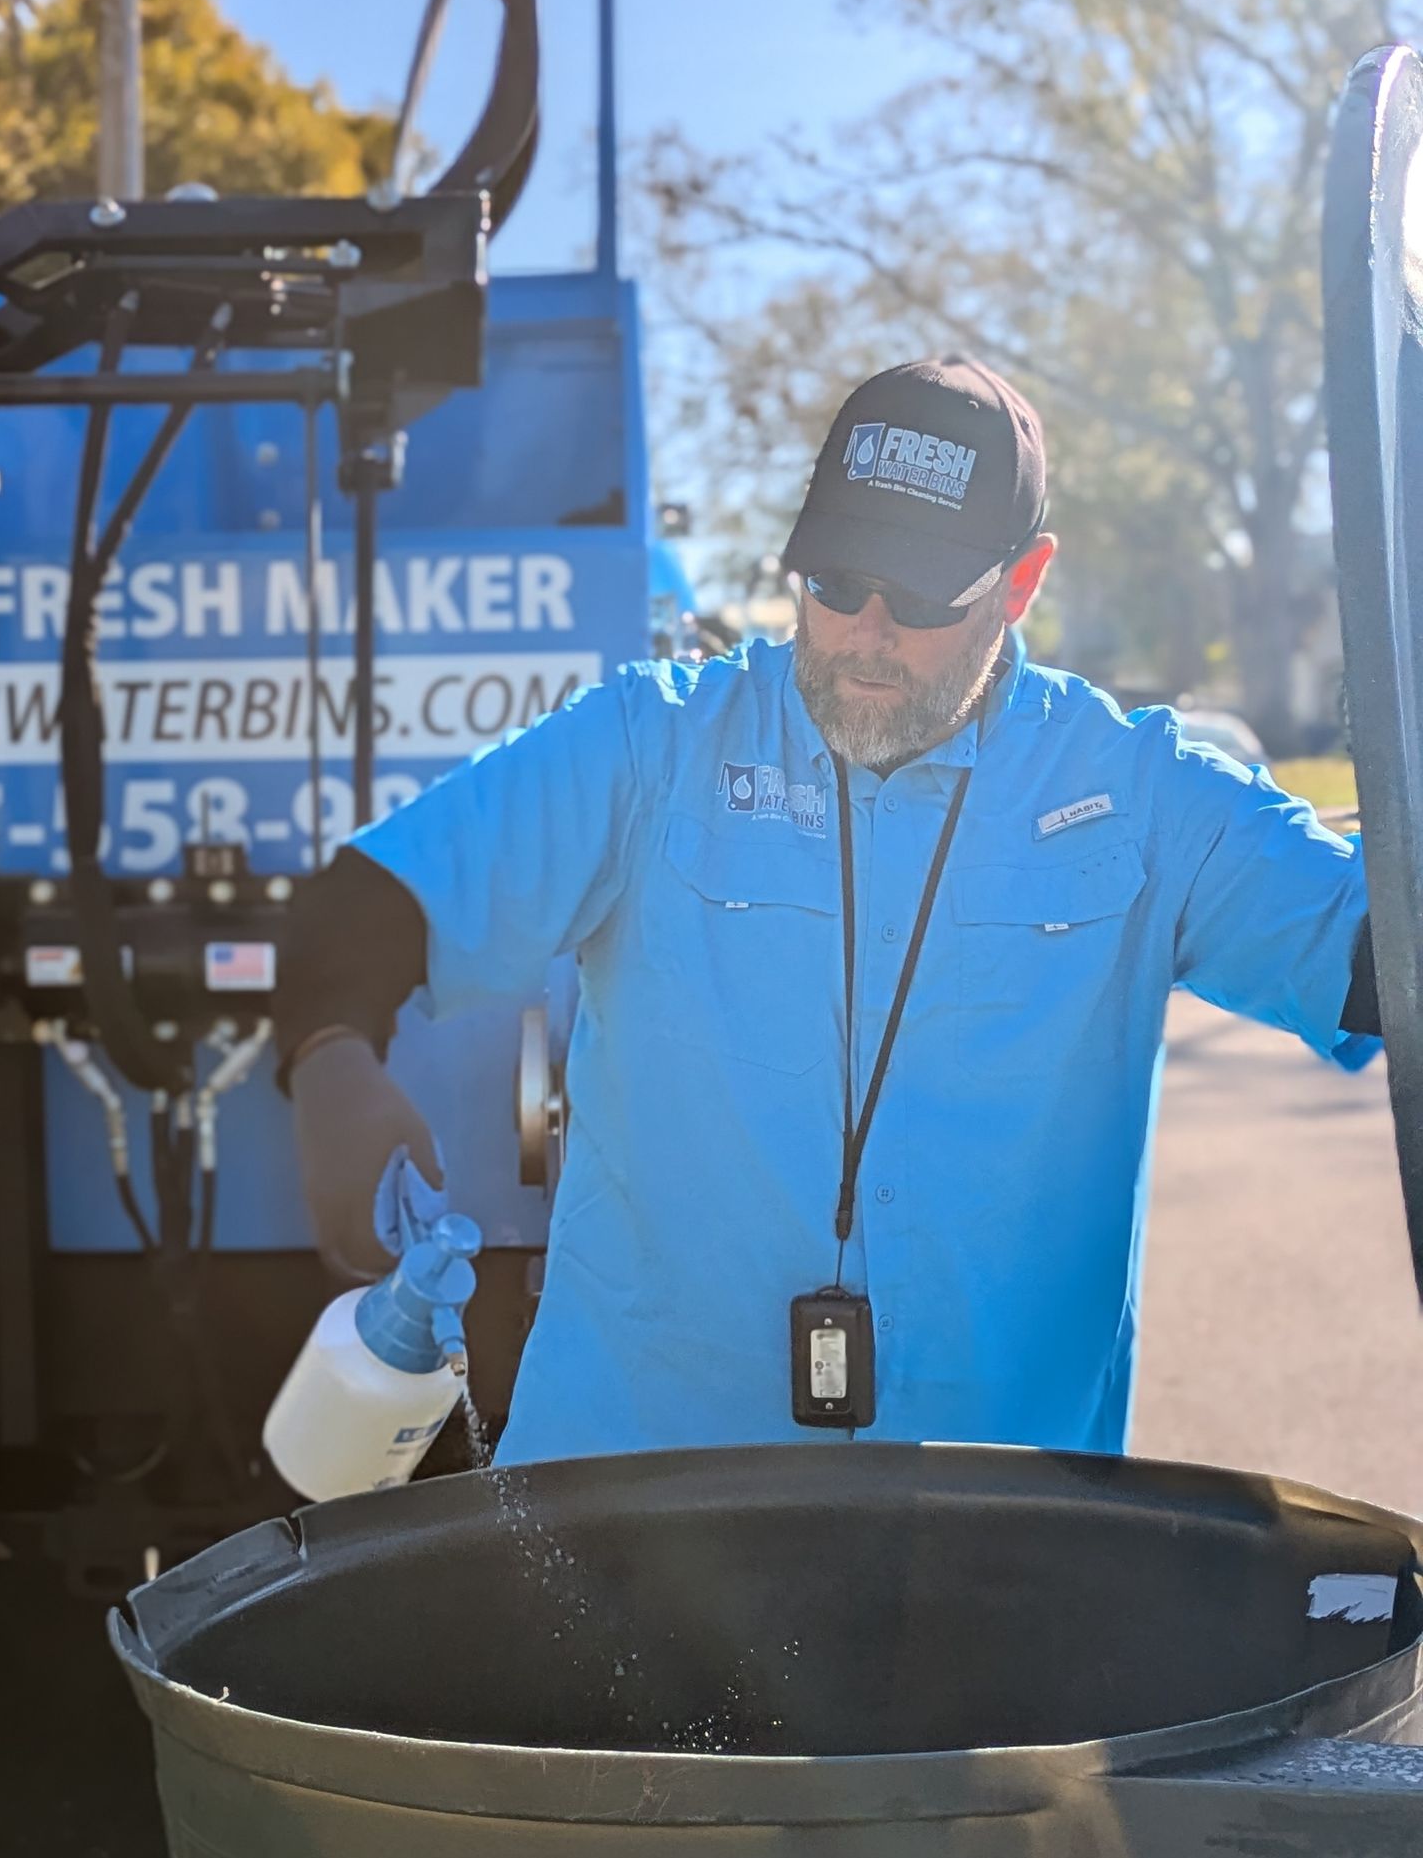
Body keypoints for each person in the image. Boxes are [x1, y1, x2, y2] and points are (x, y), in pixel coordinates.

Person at [273, 357, 1379, 1463]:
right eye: (837, 582)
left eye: (921, 594)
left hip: (1000, 1536)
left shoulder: (1143, 796)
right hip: (639, 1524)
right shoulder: (652, 745)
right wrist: (330, 1058)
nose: (866, 630)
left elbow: (1375, 959)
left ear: (1023, 581)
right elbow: (355, 912)